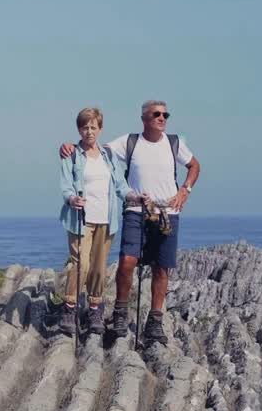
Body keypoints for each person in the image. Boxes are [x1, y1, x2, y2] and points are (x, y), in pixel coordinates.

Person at [60, 99, 200, 347]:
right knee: (126, 262)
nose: (162, 118)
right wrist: (70, 147)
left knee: (161, 267)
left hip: (168, 213)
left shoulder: (174, 143)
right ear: (144, 118)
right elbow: (95, 149)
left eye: (165, 115)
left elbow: (194, 165)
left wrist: (185, 191)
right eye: (157, 114)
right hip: (135, 211)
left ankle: (155, 321)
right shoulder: (129, 142)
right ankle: (119, 314)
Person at [55, 107, 131, 336]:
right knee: (81, 264)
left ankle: (95, 308)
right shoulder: (73, 154)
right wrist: (71, 198)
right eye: (84, 127)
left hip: (106, 219)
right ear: (79, 129)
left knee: (99, 266)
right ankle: (70, 307)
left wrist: (134, 196)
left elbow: (120, 185)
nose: (89, 132)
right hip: (81, 219)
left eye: (93, 127)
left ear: (100, 129)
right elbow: (66, 184)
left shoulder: (109, 155)